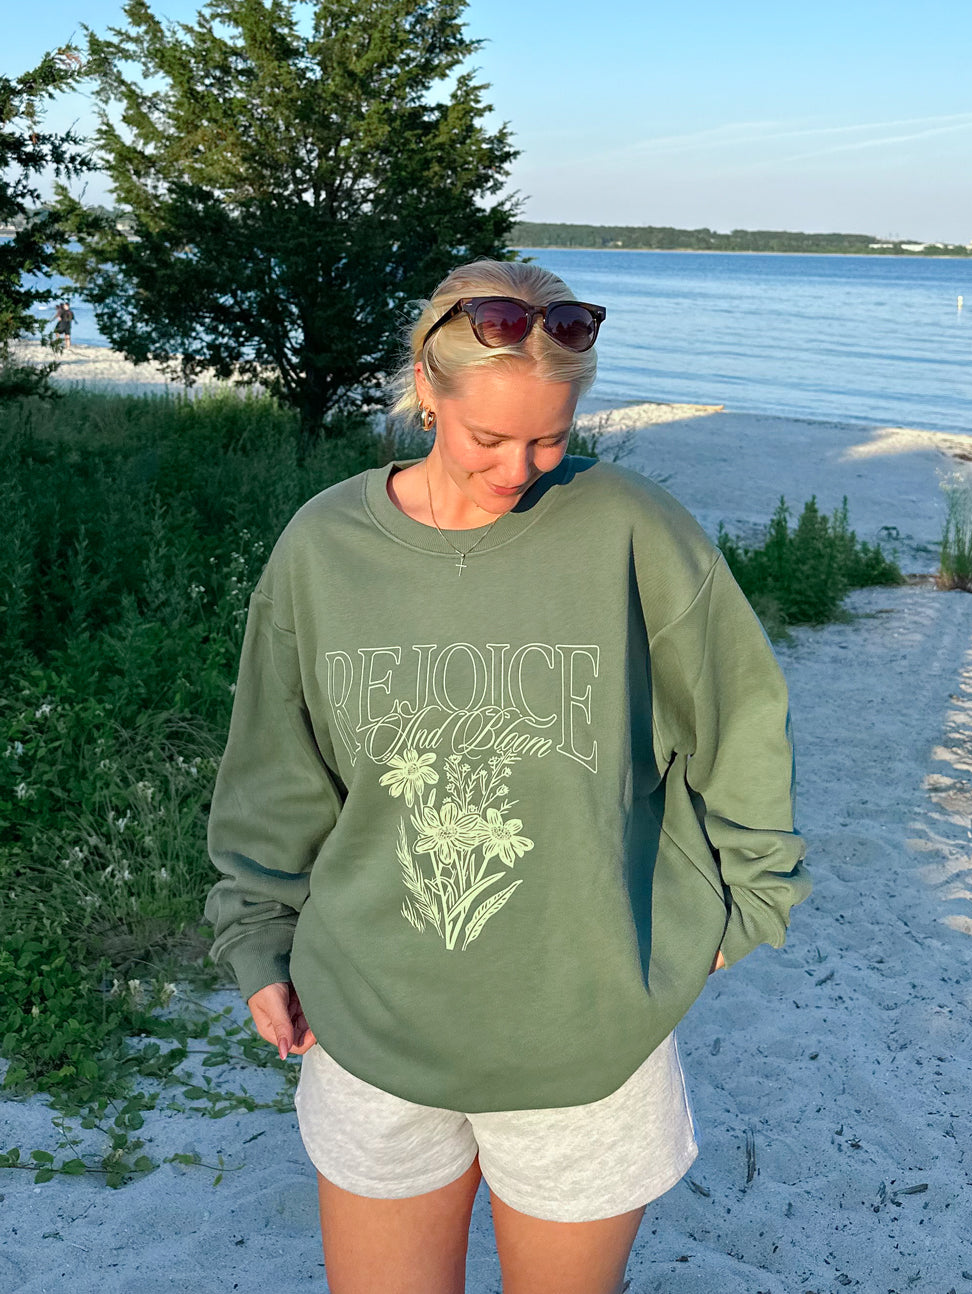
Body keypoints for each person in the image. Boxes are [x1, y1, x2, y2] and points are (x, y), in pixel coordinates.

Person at [204, 258, 811, 1294]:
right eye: (488, 437)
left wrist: (748, 901)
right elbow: (277, 761)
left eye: (550, 438)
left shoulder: (634, 529)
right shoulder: (324, 548)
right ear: (425, 388)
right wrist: (256, 931)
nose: (518, 468)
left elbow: (740, 717)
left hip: (585, 1037)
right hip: (372, 1024)